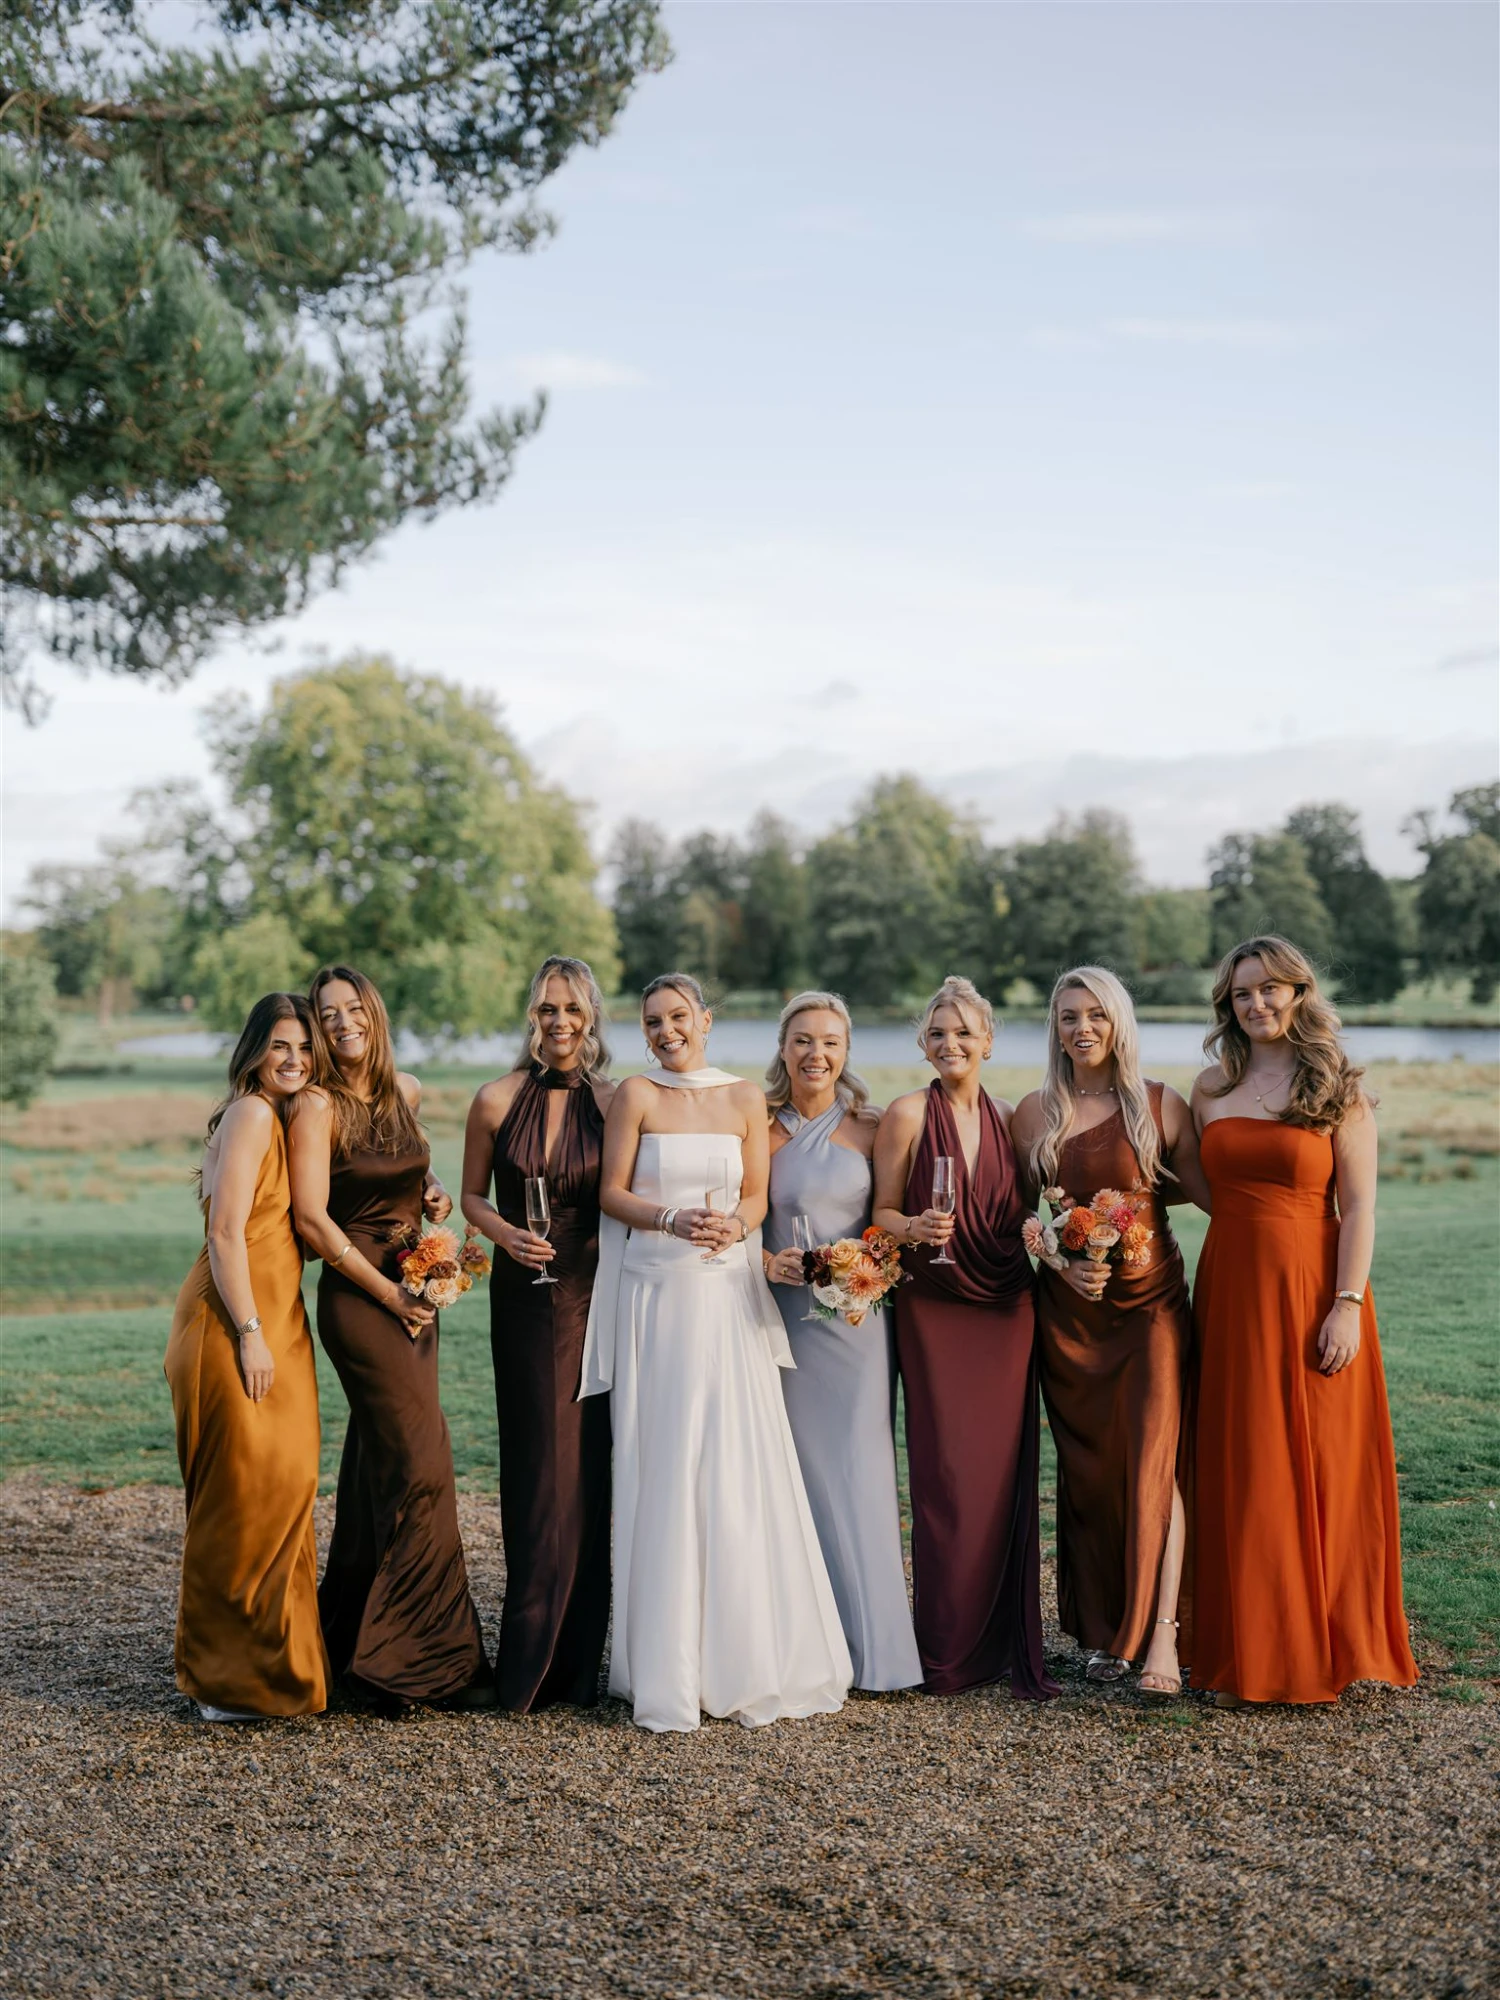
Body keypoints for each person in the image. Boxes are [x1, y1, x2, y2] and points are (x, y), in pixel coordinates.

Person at [580, 971, 852, 1732]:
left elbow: (758, 1198)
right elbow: (611, 1193)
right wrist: (668, 1217)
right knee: (667, 1458)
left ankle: (745, 1649)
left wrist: (736, 1226)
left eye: (677, 1018)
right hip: (658, 1296)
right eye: (652, 1024)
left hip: (727, 1295)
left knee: (733, 1458)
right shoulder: (636, 1096)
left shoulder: (742, 1100)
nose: (666, 1032)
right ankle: (666, 1662)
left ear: (704, 1018)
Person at [1190, 935, 1418, 1707]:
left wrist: (1346, 1305)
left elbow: (1359, 1208)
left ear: (1298, 993)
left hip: (1315, 1288)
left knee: (1325, 1461)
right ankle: (1250, 1642)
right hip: (1231, 1290)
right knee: (1245, 1461)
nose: (1256, 1004)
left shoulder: (1338, 1087)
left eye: (1268, 989)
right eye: (1241, 994)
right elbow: (1197, 1189)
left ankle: (1335, 1639)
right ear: (1229, 1006)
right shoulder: (1209, 1090)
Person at [289, 964, 491, 1711]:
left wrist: (431, 1190)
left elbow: (405, 1172)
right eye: (326, 1012)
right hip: (362, 1301)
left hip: (415, 1291)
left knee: (382, 1468)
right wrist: (389, 1294)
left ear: (373, 1013)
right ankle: (423, 1664)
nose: (342, 1022)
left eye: (352, 1009)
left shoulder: (403, 1090)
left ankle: (348, 1643)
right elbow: (313, 1222)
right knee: (422, 1465)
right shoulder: (315, 1104)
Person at [1011, 966, 1209, 1699]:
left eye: (1095, 1014)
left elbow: (1216, 1191)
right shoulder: (1033, 1114)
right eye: (1067, 1016)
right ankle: (1102, 1635)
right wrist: (1060, 1267)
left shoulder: (1162, 1105)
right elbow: (1020, 1222)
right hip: (1070, 1319)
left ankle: (1161, 1634)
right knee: (1092, 1474)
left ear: (1119, 1021)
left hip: (1151, 1311)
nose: (1081, 1028)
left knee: (1155, 1461)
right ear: (1054, 1028)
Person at [872, 975, 1055, 1700]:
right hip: (935, 1306)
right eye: (938, 1034)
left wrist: (1044, 1234)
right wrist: (913, 1228)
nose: (951, 1044)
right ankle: (947, 1649)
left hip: (1007, 1307)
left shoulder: (1012, 1116)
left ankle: (1003, 1641)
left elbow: (1022, 1213)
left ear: (987, 1041)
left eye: (964, 1033)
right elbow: (881, 1210)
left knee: (1001, 1477)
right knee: (946, 1478)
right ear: (923, 1042)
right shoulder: (906, 1113)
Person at [164, 994, 328, 1721]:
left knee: (284, 1484)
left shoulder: (286, 1115)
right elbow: (227, 1233)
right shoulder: (253, 1113)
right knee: (241, 1493)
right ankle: (228, 1681)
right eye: (279, 1047)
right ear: (255, 1051)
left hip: (277, 1320)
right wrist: (252, 1331)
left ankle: (274, 1666)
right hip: (234, 1321)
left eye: (304, 1048)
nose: (293, 1060)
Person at [460, 956, 615, 1711]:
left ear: (591, 1018)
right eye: (547, 1009)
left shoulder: (616, 1102)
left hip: (593, 1294)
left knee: (588, 1467)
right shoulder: (495, 1099)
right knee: (534, 1467)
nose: (558, 1022)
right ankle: (529, 1656)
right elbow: (469, 1198)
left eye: (572, 1010)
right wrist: (506, 1236)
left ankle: (578, 1662)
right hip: (523, 1295)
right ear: (532, 1015)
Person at [762, 991, 921, 1691]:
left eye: (829, 1041)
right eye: (801, 1040)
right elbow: (739, 1219)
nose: (815, 1054)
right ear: (783, 1046)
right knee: (792, 1476)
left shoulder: (872, 1125)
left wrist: (866, 1265)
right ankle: (807, 1646)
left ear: (847, 1049)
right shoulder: (757, 1128)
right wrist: (767, 1262)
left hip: (857, 1328)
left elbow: (887, 1223)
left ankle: (878, 1651)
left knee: (860, 1471)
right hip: (782, 1320)